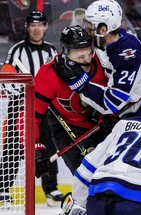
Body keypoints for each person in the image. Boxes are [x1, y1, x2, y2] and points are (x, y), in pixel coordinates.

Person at [53, 0, 141, 120]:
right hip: (131, 105)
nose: (86, 28)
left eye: (90, 25)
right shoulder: (102, 41)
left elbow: (111, 102)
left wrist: (81, 84)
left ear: (103, 30)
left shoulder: (127, 54)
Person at [0, 11, 62, 208]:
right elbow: (7, 75)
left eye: (40, 25)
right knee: (14, 148)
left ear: (45, 28)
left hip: (45, 107)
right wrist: (22, 94)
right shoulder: (17, 50)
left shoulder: (51, 52)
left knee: (49, 146)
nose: (37, 28)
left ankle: (51, 189)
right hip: (20, 105)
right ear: (27, 27)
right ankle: (3, 190)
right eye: (33, 25)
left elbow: (57, 79)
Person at [22, 25, 108, 181]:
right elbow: (28, 116)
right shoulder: (49, 74)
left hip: (103, 123)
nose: (87, 60)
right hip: (67, 127)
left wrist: (113, 115)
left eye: (89, 53)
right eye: (80, 57)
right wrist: (35, 147)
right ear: (66, 53)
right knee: (86, 179)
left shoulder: (102, 62)